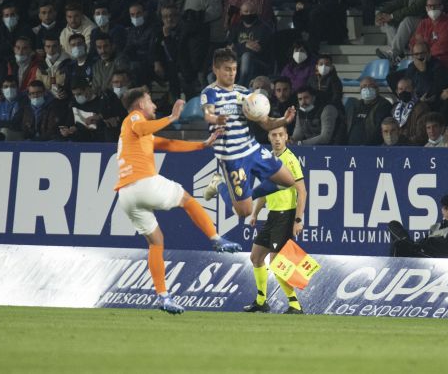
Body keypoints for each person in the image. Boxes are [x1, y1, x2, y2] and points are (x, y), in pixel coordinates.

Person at [114, 89, 242, 315]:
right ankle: (215, 237)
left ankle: (163, 296)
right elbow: (140, 126)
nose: (154, 105)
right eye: (151, 101)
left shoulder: (139, 134)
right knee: (186, 199)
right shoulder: (135, 118)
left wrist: (203, 144)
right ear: (141, 104)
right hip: (143, 183)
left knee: (156, 242)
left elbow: (170, 145)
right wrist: (172, 118)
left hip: (126, 195)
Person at [201, 49, 297, 218]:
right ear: (216, 69)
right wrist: (216, 119)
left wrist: (283, 120)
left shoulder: (244, 93)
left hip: (252, 148)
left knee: (288, 181)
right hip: (232, 157)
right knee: (244, 212)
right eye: (227, 69)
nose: (232, 73)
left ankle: (244, 196)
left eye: (234, 69)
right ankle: (219, 185)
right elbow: (208, 114)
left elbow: (266, 123)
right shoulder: (210, 92)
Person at [244, 126, 307, 314]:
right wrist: (255, 212)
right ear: (270, 138)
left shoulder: (290, 160)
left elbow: (302, 191)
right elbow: (266, 189)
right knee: (255, 257)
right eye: (274, 135)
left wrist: (298, 219)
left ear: (287, 137)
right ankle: (261, 301)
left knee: (277, 262)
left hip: (286, 216)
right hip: (272, 215)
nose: (278, 138)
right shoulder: (269, 160)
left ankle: (294, 304)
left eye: (281, 135)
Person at [387, 194, 448, 258]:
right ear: (442, 210)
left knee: (399, 246)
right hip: (423, 253)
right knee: (393, 225)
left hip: (441, 261)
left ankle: (407, 244)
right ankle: (406, 242)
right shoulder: (436, 226)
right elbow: (425, 242)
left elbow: (447, 247)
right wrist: (416, 246)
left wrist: (422, 246)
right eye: (446, 208)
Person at [346, 77, 392, 146]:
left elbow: (379, 131)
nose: (367, 88)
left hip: (369, 148)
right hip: (349, 148)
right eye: (364, 86)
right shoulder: (355, 105)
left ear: (377, 89)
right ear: (360, 90)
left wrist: (366, 147)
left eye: (371, 86)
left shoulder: (383, 105)